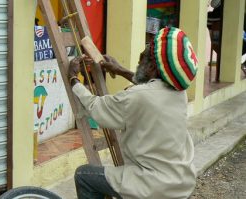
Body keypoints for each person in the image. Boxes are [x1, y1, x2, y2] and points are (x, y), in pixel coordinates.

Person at [68, 27, 198, 199]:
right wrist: (120, 70)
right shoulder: (179, 93)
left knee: (84, 176)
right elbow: (151, 87)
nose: (142, 52)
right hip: (183, 181)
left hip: (153, 186)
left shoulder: (137, 97)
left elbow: (96, 106)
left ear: (153, 66)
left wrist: (74, 79)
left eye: (147, 50)